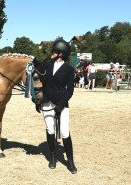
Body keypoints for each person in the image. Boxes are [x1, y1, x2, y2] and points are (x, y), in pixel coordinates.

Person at [33, 39, 77, 174]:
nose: (51, 53)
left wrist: (60, 105)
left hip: (61, 104)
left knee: (64, 131)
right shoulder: (47, 65)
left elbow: (70, 90)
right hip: (47, 102)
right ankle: (52, 157)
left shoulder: (69, 69)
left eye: (54, 51)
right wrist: (38, 100)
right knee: (50, 130)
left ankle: (70, 161)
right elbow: (39, 80)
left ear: (61, 54)